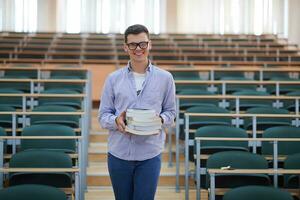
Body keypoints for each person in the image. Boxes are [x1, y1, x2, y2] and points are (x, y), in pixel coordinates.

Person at [98, 24, 176, 200]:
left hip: (150, 153)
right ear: (125, 47)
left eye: (142, 44)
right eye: (132, 44)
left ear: (150, 44)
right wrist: (116, 120)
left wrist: (160, 120)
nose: (138, 49)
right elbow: (103, 116)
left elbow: (171, 112)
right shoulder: (113, 78)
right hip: (119, 153)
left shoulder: (165, 78)